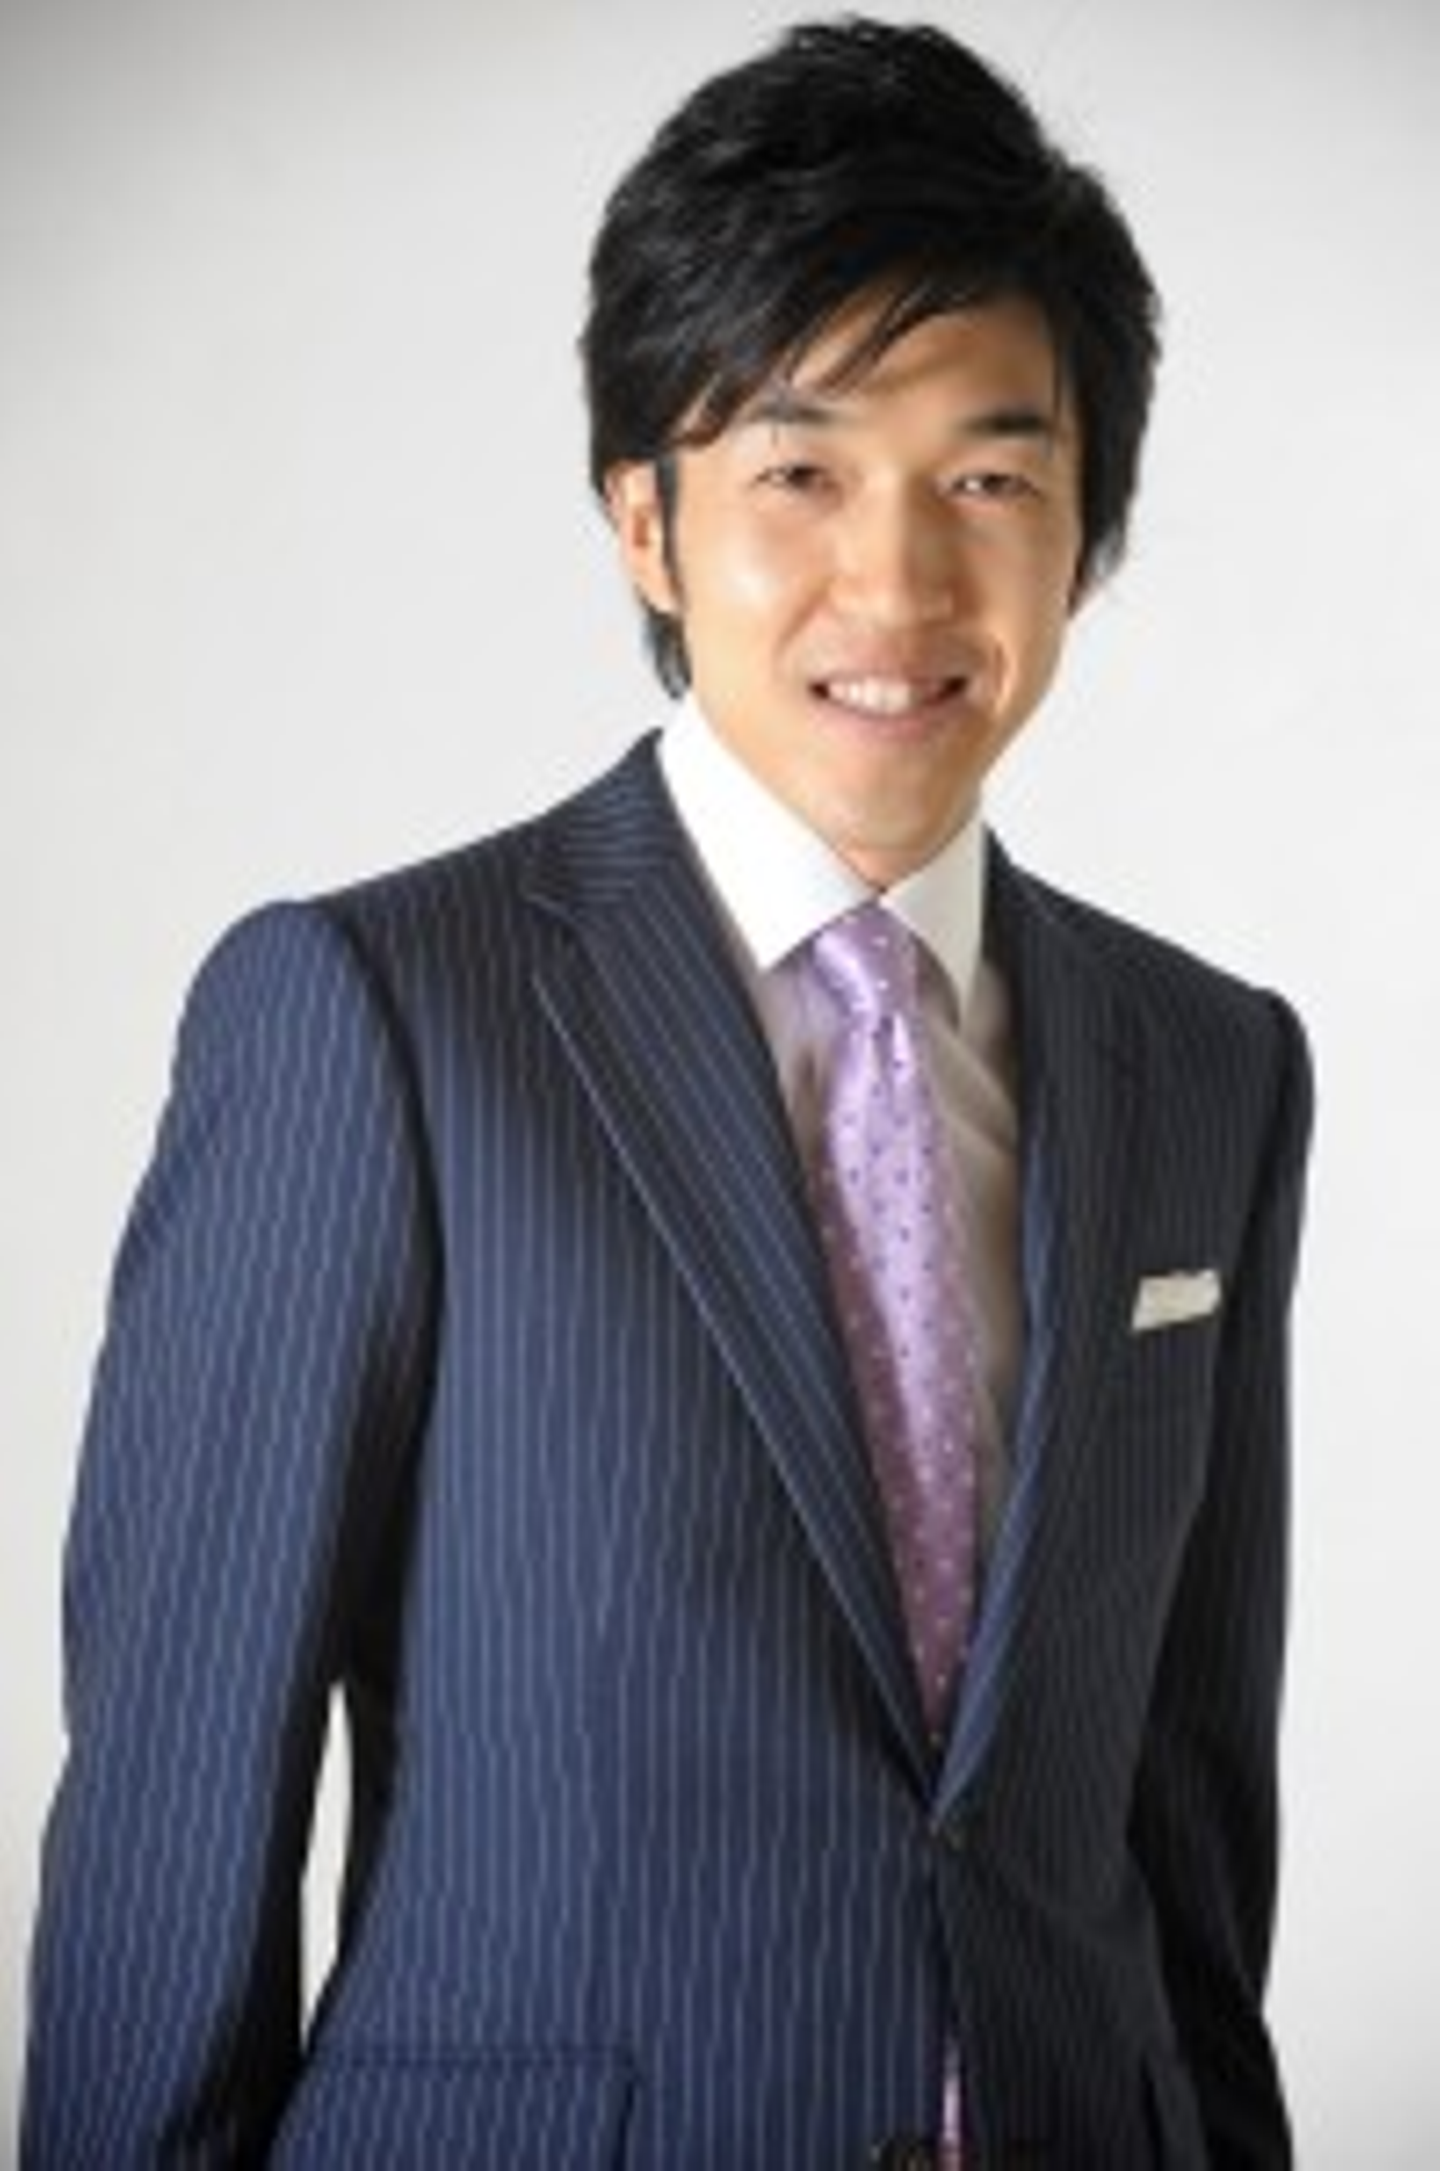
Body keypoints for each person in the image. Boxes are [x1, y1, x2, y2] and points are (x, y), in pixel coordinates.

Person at [22, 17, 1312, 2168]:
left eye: (989, 477)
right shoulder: (371, 1020)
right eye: (799, 472)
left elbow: (1186, 1825)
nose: (899, 583)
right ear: (645, 517)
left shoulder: (1209, 1064)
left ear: (1085, 530)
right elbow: (177, 1812)